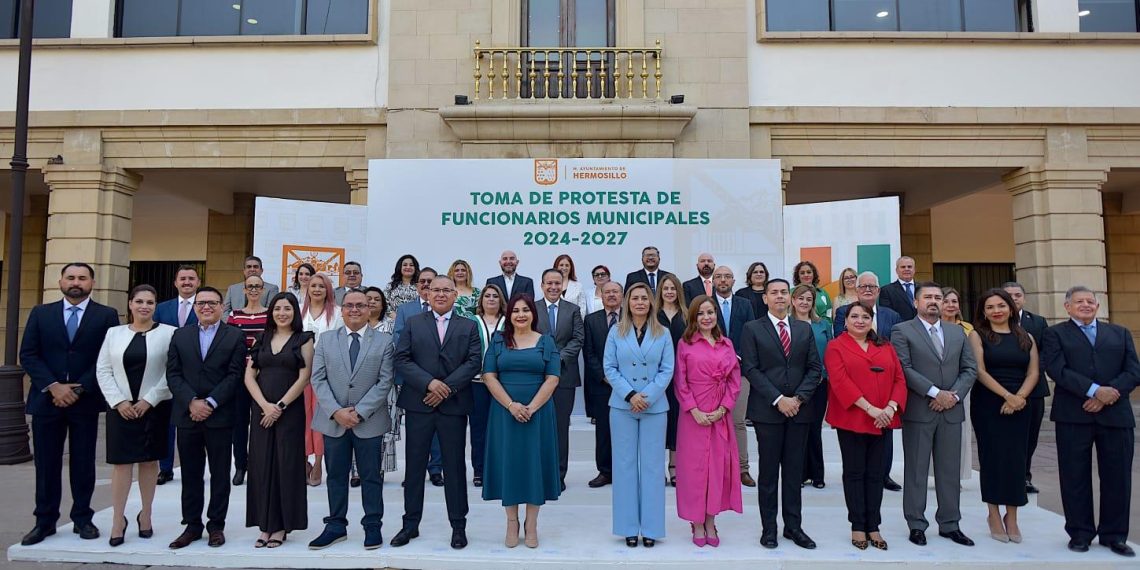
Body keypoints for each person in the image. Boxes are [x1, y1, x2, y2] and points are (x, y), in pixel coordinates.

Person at [19, 263, 120, 547]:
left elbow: (107, 356)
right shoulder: (41, 313)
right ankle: (45, 521)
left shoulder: (106, 316)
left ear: (92, 282)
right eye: (71, 277)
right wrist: (53, 386)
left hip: (84, 400)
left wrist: (79, 387)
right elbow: (28, 354)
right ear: (60, 281)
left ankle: (82, 518)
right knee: (47, 464)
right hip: (46, 400)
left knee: (83, 462)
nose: (76, 282)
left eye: (82, 278)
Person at [1041, 286, 1138, 557]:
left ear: (1098, 305)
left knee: (1118, 477)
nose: (1086, 305)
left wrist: (1109, 394)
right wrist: (1094, 391)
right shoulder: (1055, 333)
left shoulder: (1119, 333)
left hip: (1116, 414)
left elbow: (1133, 370)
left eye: (1090, 301)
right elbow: (1056, 369)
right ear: (1067, 307)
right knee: (1074, 476)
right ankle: (1080, 533)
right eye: (1079, 301)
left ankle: (1114, 535)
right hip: (1074, 414)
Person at [392, 276, 483, 550]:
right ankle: (410, 524)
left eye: (446, 290)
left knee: (454, 466)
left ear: (455, 295)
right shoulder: (413, 323)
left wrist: (446, 388)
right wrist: (429, 383)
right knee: (416, 466)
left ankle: (458, 525)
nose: (441, 294)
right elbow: (402, 358)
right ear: (427, 294)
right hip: (420, 404)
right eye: (436, 290)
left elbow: (474, 361)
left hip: (453, 406)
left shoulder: (468, 325)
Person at [307, 291, 395, 551]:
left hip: (368, 421)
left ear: (369, 310)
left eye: (361, 305)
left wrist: (359, 411)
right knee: (335, 475)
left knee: (370, 476)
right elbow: (318, 379)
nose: (354, 309)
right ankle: (335, 526)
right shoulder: (325, 340)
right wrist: (337, 412)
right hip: (334, 421)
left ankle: (372, 526)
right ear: (341, 310)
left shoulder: (384, 341)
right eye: (349, 305)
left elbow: (385, 381)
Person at [892, 281, 978, 548]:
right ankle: (916, 524)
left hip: (951, 410)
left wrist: (952, 396)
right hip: (920, 410)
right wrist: (933, 393)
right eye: (927, 297)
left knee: (949, 471)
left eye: (938, 297)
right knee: (917, 470)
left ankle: (950, 524)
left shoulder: (957, 333)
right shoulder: (902, 330)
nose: (933, 301)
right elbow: (903, 368)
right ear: (916, 302)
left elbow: (970, 369)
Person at [740, 278, 823, 550]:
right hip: (768, 412)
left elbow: (814, 368)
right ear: (765, 298)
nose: (779, 296)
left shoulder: (803, 329)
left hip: (799, 411)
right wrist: (778, 399)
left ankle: (793, 527)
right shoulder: (752, 328)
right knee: (767, 474)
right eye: (773, 292)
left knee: (793, 472)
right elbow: (751, 369)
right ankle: (769, 529)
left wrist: (797, 399)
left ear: (790, 297)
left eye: (783, 292)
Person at [165, 286, 247, 549]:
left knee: (220, 473)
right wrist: (191, 401)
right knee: (190, 473)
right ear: (195, 306)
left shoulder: (234, 336)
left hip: (219, 415)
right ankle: (192, 525)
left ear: (222, 307)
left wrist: (210, 402)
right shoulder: (180, 335)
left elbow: (235, 375)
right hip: (187, 414)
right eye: (201, 303)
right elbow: (173, 374)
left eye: (212, 302)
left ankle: (216, 525)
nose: (206, 307)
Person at [95, 284, 174, 547]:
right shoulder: (113, 334)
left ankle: (146, 515)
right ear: (130, 304)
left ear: (155, 306)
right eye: (139, 301)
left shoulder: (169, 334)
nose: (144, 306)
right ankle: (118, 519)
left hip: (154, 407)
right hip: (121, 409)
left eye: (150, 302)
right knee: (121, 465)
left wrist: (149, 400)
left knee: (149, 462)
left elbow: (171, 372)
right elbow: (103, 370)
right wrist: (119, 402)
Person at [481, 294, 562, 548]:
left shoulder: (546, 341)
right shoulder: (497, 341)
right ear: (509, 315)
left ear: (533, 314)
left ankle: (532, 523)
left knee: (533, 466)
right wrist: (511, 405)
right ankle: (512, 522)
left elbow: (553, 378)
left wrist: (531, 407)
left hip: (537, 414)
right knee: (510, 465)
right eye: (515, 310)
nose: (520, 315)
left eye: (525, 310)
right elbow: (489, 376)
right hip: (505, 413)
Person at [824, 303, 906, 552]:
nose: (860, 321)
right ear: (845, 320)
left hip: (884, 419)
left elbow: (899, 379)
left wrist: (890, 409)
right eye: (855, 316)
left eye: (865, 317)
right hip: (853, 419)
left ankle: (874, 525)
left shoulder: (886, 346)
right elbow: (840, 382)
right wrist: (871, 410)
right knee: (855, 472)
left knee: (875, 474)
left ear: (872, 320)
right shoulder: (835, 346)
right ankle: (858, 524)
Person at [604, 282, 675, 548]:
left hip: (654, 407)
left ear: (651, 302)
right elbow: (609, 367)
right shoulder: (615, 332)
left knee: (653, 468)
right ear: (627, 302)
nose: (640, 302)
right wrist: (630, 395)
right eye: (635, 298)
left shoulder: (663, 333)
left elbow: (667, 370)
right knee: (623, 468)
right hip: (623, 407)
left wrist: (646, 397)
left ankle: (652, 528)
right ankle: (628, 527)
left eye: (645, 298)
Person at [967, 288, 1038, 544]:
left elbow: (1033, 372)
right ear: (983, 312)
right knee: (993, 458)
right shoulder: (978, 335)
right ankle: (993, 514)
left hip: (1021, 404)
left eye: (1001, 305)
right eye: (990, 307)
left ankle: (1013, 516)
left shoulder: (1025, 335)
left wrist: (1019, 398)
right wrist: (1007, 396)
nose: (996, 311)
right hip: (989, 403)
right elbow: (980, 372)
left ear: (1010, 307)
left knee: (1016, 460)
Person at [243, 293, 314, 549]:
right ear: (271, 312)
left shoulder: (304, 339)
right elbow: (249, 376)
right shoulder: (260, 339)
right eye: (277, 308)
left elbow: (304, 377)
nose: (282, 313)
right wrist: (264, 406)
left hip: (289, 411)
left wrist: (280, 406)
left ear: (295, 312)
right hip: (261, 410)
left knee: (286, 465)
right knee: (262, 464)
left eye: (287, 308)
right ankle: (264, 525)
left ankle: (282, 526)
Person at [673, 295, 742, 548]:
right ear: (693, 317)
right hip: (693, 417)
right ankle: (696, 521)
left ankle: (711, 519)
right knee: (694, 470)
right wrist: (694, 410)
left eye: (711, 312)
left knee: (717, 468)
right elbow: (680, 382)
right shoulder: (685, 343)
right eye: (701, 313)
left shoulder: (727, 344)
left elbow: (735, 380)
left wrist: (724, 408)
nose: (706, 317)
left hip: (719, 415)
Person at [833, 271, 904, 491]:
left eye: (872, 287)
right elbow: (841, 343)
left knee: (885, 435)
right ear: (856, 289)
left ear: (878, 290)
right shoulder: (844, 312)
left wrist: (891, 405)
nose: (867, 290)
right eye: (863, 286)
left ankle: (884, 474)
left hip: (885, 386)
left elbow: (896, 349)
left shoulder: (891, 315)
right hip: (856, 386)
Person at [393, 267, 446, 486]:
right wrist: (420, 375)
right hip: (413, 379)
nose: (426, 285)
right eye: (422, 282)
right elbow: (398, 339)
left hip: (440, 380)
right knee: (415, 430)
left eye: (430, 282)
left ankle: (436, 470)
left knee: (437, 429)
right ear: (417, 286)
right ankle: (413, 472)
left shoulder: (446, 308)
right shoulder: (406, 310)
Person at [534, 268, 585, 491]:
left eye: (557, 283)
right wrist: (543, 359)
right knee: (537, 427)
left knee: (560, 428)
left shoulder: (572, 310)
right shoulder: (532, 308)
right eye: (549, 283)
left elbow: (578, 338)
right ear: (542, 285)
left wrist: (557, 358)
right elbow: (526, 335)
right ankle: (538, 473)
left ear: (562, 285)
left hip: (564, 376)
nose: (553, 287)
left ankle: (558, 475)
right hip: (537, 377)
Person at [710, 266, 757, 489]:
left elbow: (750, 335)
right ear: (713, 281)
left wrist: (736, 358)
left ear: (733, 280)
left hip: (740, 371)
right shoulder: (705, 305)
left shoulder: (744, 305)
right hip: (711, 374)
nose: (723, 280)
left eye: (727, 276)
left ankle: (742, 469)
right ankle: (717, 469)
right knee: (714, 421)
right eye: (718, 276)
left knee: (738, 421)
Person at [153, 264, 200, 486]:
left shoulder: (204, 306)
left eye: (191, 278)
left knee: (190, 426)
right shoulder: (162, 309)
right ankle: (165, 468)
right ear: (176, 282)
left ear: (198, 282)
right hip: (165, 373)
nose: (187, 282)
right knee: (166, 424)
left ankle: (192, 467)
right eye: (183, 279)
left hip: (194, 374)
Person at [1002, 281, 1049, 495]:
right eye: (1008, 294)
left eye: (1017, 294)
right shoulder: (990, 322)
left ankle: (1025, 477)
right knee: (1007, 437)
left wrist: (1031, 377)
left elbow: (1047, 354)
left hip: (1034, 390)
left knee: (1030, 436)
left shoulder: (1038, 322)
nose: (1014, 298)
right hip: (1003, 389)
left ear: (1024, 297)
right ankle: (1007, 476)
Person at [226, 274, 271, 487]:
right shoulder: (234, 315)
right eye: (250, 286)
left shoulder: (270, 315)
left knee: (262, 422)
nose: (253, 290)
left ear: (263, 290)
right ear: (244, 290)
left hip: (263, 378)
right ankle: (240, 466)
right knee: (239, 424)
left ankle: (259, 465)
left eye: (257, 286)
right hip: (240, 378)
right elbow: (231, 347)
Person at [302, 272, 342, 487]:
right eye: (313, 285)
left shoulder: (337, 313)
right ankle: (304, 459)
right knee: (303, 418)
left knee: (321, 418)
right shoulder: (299, 311)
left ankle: (318, 462)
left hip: (326, 375)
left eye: (322, 286)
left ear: (328, 290)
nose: (317, 289)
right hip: (300, 374)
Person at [791, 284, 834, 489]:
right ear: (793, 300)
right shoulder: (787, 324)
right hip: (795, 386)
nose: (804, 302)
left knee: (815, 428)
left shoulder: (822, 324)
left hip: (819, 384)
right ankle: (799, 474)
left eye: (808, 299)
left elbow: (831, 353)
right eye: (800, 298)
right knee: (798, 430)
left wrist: (824, 375)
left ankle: (817, 474)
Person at [584, 281, 623, 488]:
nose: (611, 295)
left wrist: (621, 380)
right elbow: (588, 353)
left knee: (627, 430)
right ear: (602, 296)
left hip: (628, 385)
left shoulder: (632, 316)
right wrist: (605, 376)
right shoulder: (591, 320)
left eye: (615, 291)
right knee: (604, 431)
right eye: (607, 292)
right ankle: (605, 471)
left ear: (622, 295)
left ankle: (626, 471)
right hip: (601, 385)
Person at [470, 284, 506, 487]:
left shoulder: (509, 322)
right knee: (479, 429)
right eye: (487, 296)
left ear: (500, 300)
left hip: (503, 384)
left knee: (502, 428)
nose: (491, 299)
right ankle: (479, 470)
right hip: (477, 383)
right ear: (481, 300)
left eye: (495, 296)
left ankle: (500, 469)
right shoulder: (471, 322)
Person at [655, 274, 687, 486]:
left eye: (672, 288)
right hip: (657, 376)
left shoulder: (686, 315)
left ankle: (674, 467)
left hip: (682, 374)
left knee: (677, 422)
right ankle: (657, 469)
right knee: (658, 422)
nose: (669, 292)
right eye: (665, 288)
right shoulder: (653, 314)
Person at [942, 286, 975, 481]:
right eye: (946, 301)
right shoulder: (931, 327)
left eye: (954, 301)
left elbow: (971, 361)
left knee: (961, 433)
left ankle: (958, 475)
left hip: (961, 387)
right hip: (936, 386)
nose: (950, 305)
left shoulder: (968, 329)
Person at [878, 256, 918, 321]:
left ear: (914, 270)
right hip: (900, 328)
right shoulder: (887, 290)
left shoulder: (923, 288)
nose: (906, 269)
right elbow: (887, 314)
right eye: (903, 267)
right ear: (896, 270)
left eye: (909, 267)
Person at [792, 261, 832, 325]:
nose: (806, 275)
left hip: (820, 328)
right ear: (798, 276)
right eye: (802, 273)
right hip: (797, 328)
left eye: (809, 272)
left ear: (813, 274)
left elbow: (829, 313)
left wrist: (827, 325)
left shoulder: (823, 293)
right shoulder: (791, 292)